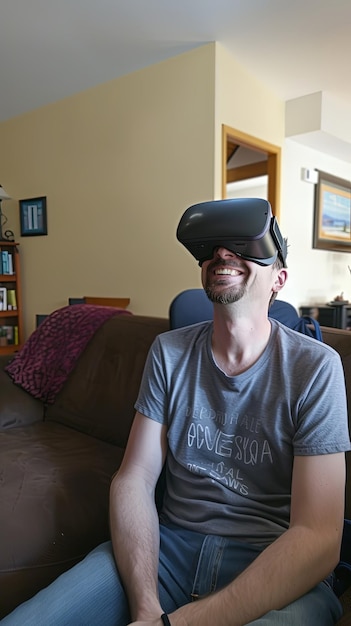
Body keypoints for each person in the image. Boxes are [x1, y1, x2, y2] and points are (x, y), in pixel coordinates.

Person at [2, 198, 350, 626]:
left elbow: (318, 536)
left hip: (268, 565)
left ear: (279, 278)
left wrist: (174, 624)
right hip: (165, 553)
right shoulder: (169, 352)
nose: (222, 254)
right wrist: (146, 606)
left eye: (241, 247)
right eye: (213, 249)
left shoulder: (314, 367)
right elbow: (134, 478)